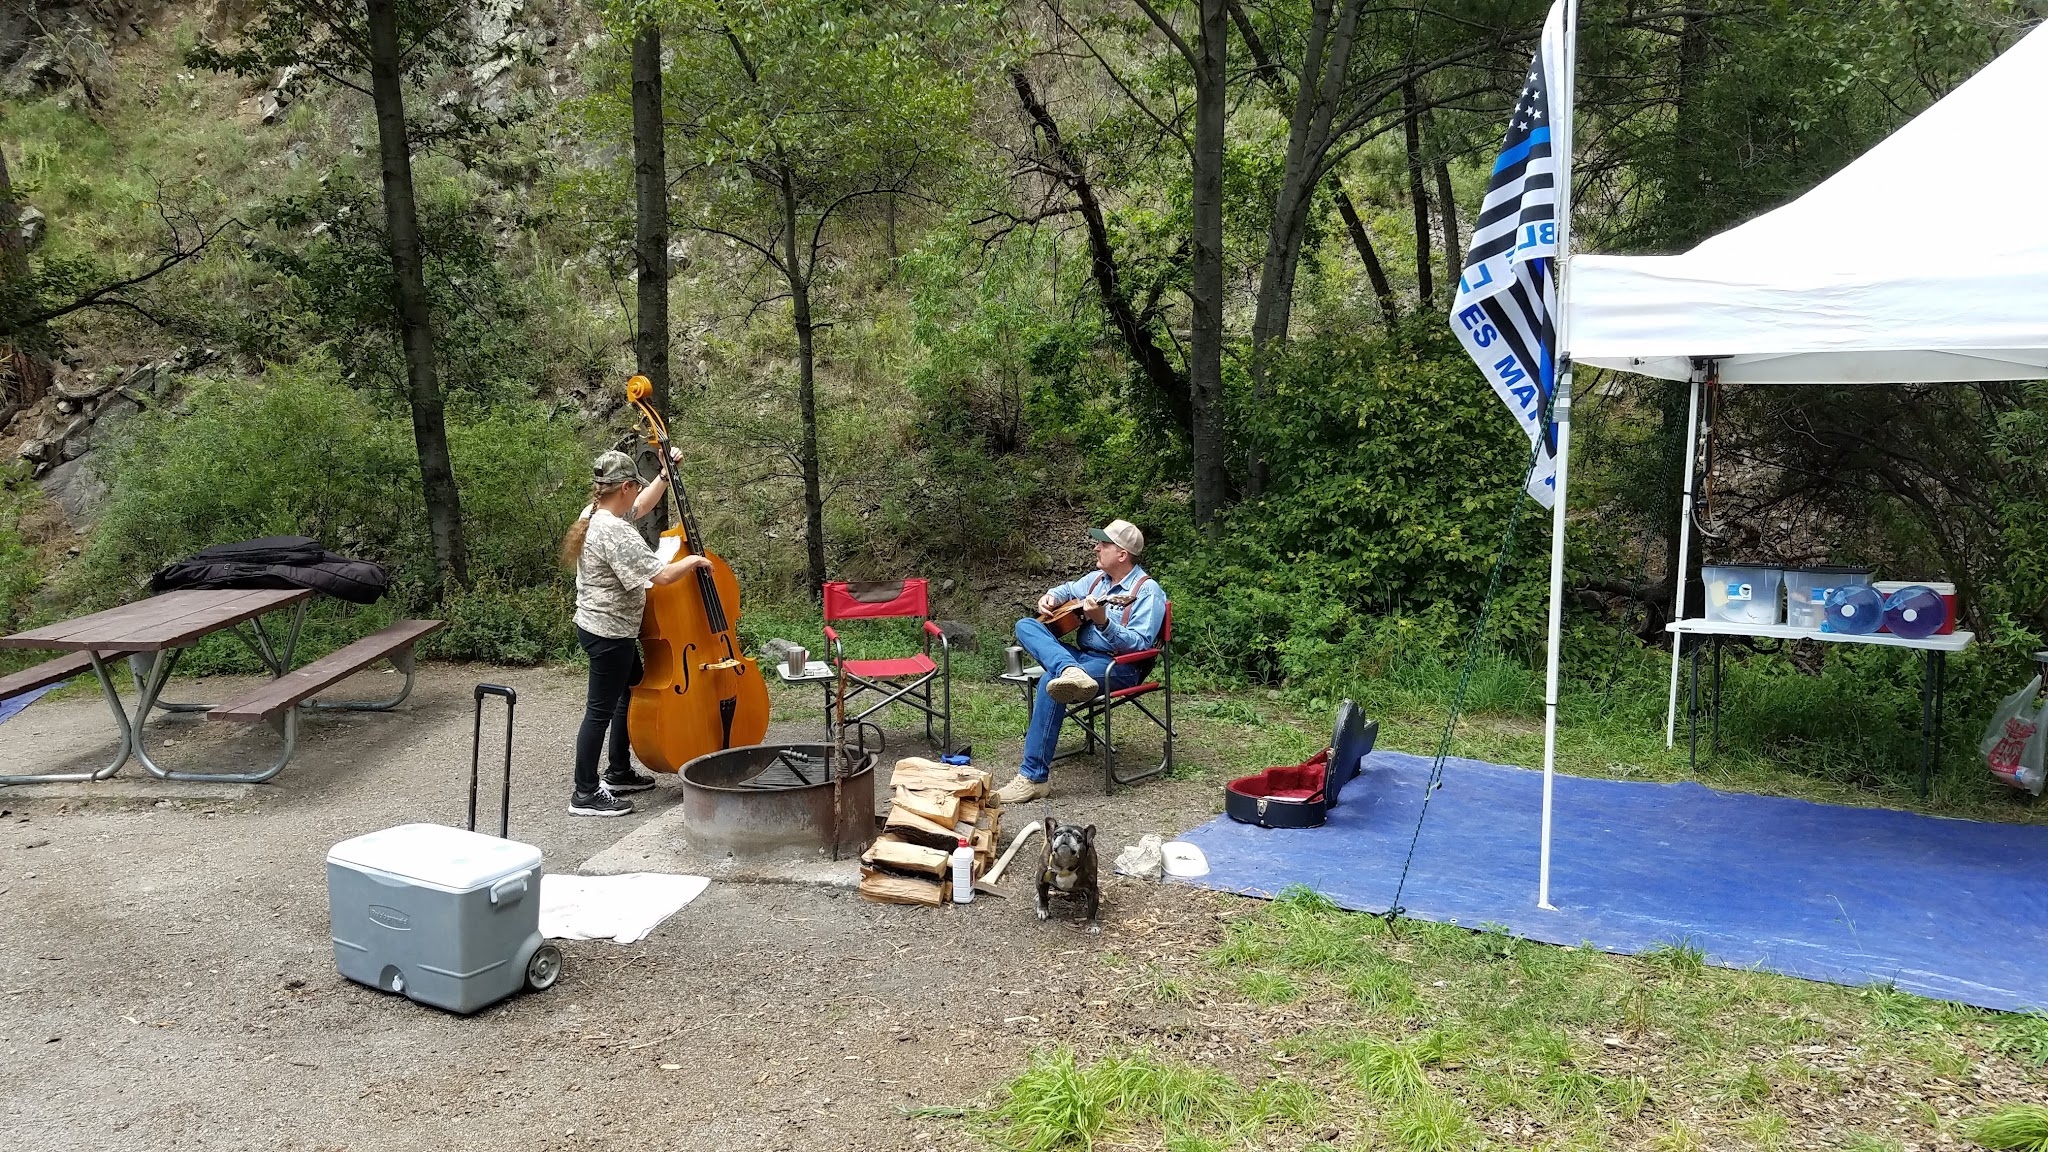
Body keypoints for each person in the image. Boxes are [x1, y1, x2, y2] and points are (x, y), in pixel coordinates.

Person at [560, 449, 710, 817]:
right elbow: (660, 575)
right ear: (623, 486)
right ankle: (585, 793)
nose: (635, 495)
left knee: (630, 694)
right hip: (610, 634)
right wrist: (692, 560)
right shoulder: (614, 531)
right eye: (633, 487)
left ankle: (619, 771)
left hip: (600, 627)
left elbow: (640, 506)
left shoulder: (594, 512)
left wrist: (664, 473)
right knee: (599, 710)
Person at [995, 519, 1166, 805]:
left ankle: (1033, 779)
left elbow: (1140, 644)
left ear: (1122, 554)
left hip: (1119, 666)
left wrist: (1103, 623)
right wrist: (1050, 597)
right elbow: (1067, 590)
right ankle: (1069, 669)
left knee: (1052, 682)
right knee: (1026, 624)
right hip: (1082, 659)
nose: (1097, 548)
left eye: (1104, 544)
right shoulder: (1097, 580)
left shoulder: (1147, 591)